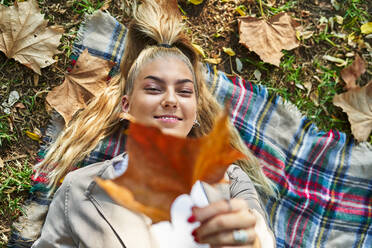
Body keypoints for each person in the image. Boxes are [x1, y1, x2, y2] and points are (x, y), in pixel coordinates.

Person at [31, 0, 276, 247]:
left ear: (196, 111)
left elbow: (259, 237)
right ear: (126, 107)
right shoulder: (79, 190)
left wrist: (249, 240)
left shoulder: (231, 180)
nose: (170, 99)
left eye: (184, 92)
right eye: (154, 88)